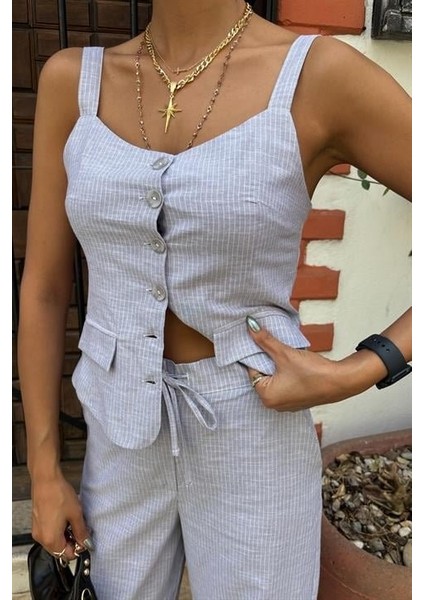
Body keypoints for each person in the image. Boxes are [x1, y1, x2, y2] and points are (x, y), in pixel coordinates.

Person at [17, 0, 412, 598]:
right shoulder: (73, 82)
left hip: (255, 426)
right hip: (119, 433)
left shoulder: (319, 75)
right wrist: (44, 471)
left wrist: (362, 367)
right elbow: (46, 289)